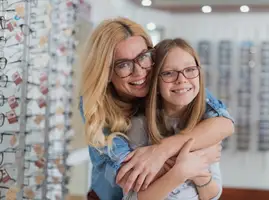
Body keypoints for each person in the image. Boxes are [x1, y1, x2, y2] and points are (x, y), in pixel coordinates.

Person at [79, 17, 234, 200]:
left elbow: (225, 124)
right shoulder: (96, 104)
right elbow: (135, 173)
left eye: (143, 56)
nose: (140, 72)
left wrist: (163, 150)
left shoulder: (171, 82)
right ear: (106, 72)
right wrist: (198, 154)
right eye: (123, 64)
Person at [115, 38, 223, 200]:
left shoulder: (205, 125)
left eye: (190, 69)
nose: (182, 79)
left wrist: (199, 175)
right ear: (155, 82)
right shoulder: (139, 126)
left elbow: (213, 195)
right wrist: (181, 171)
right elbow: (132, 198)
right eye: (168, 73)